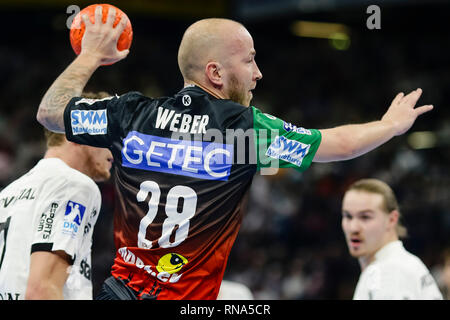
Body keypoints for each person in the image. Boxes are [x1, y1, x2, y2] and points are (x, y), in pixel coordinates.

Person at [36, 6, 433, 299]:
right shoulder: (244, 131)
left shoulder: (131, 114)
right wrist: (391, 126)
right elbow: (339, 145)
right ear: (216, 73)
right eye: (250, 60)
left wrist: (90, 55)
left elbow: (51, 113)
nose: (258, 73)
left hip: (117, 293)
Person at [0, 94, 113, 300]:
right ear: (80, 133)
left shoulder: (7, 193)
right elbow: (41, 290)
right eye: (109, 136)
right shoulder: (74, 184)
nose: (114, 149)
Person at [341, 178, 443, 299]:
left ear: (392, 219)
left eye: (365, 217)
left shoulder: (387, 272)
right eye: (348, 216)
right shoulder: (400, 264)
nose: (353, 228)